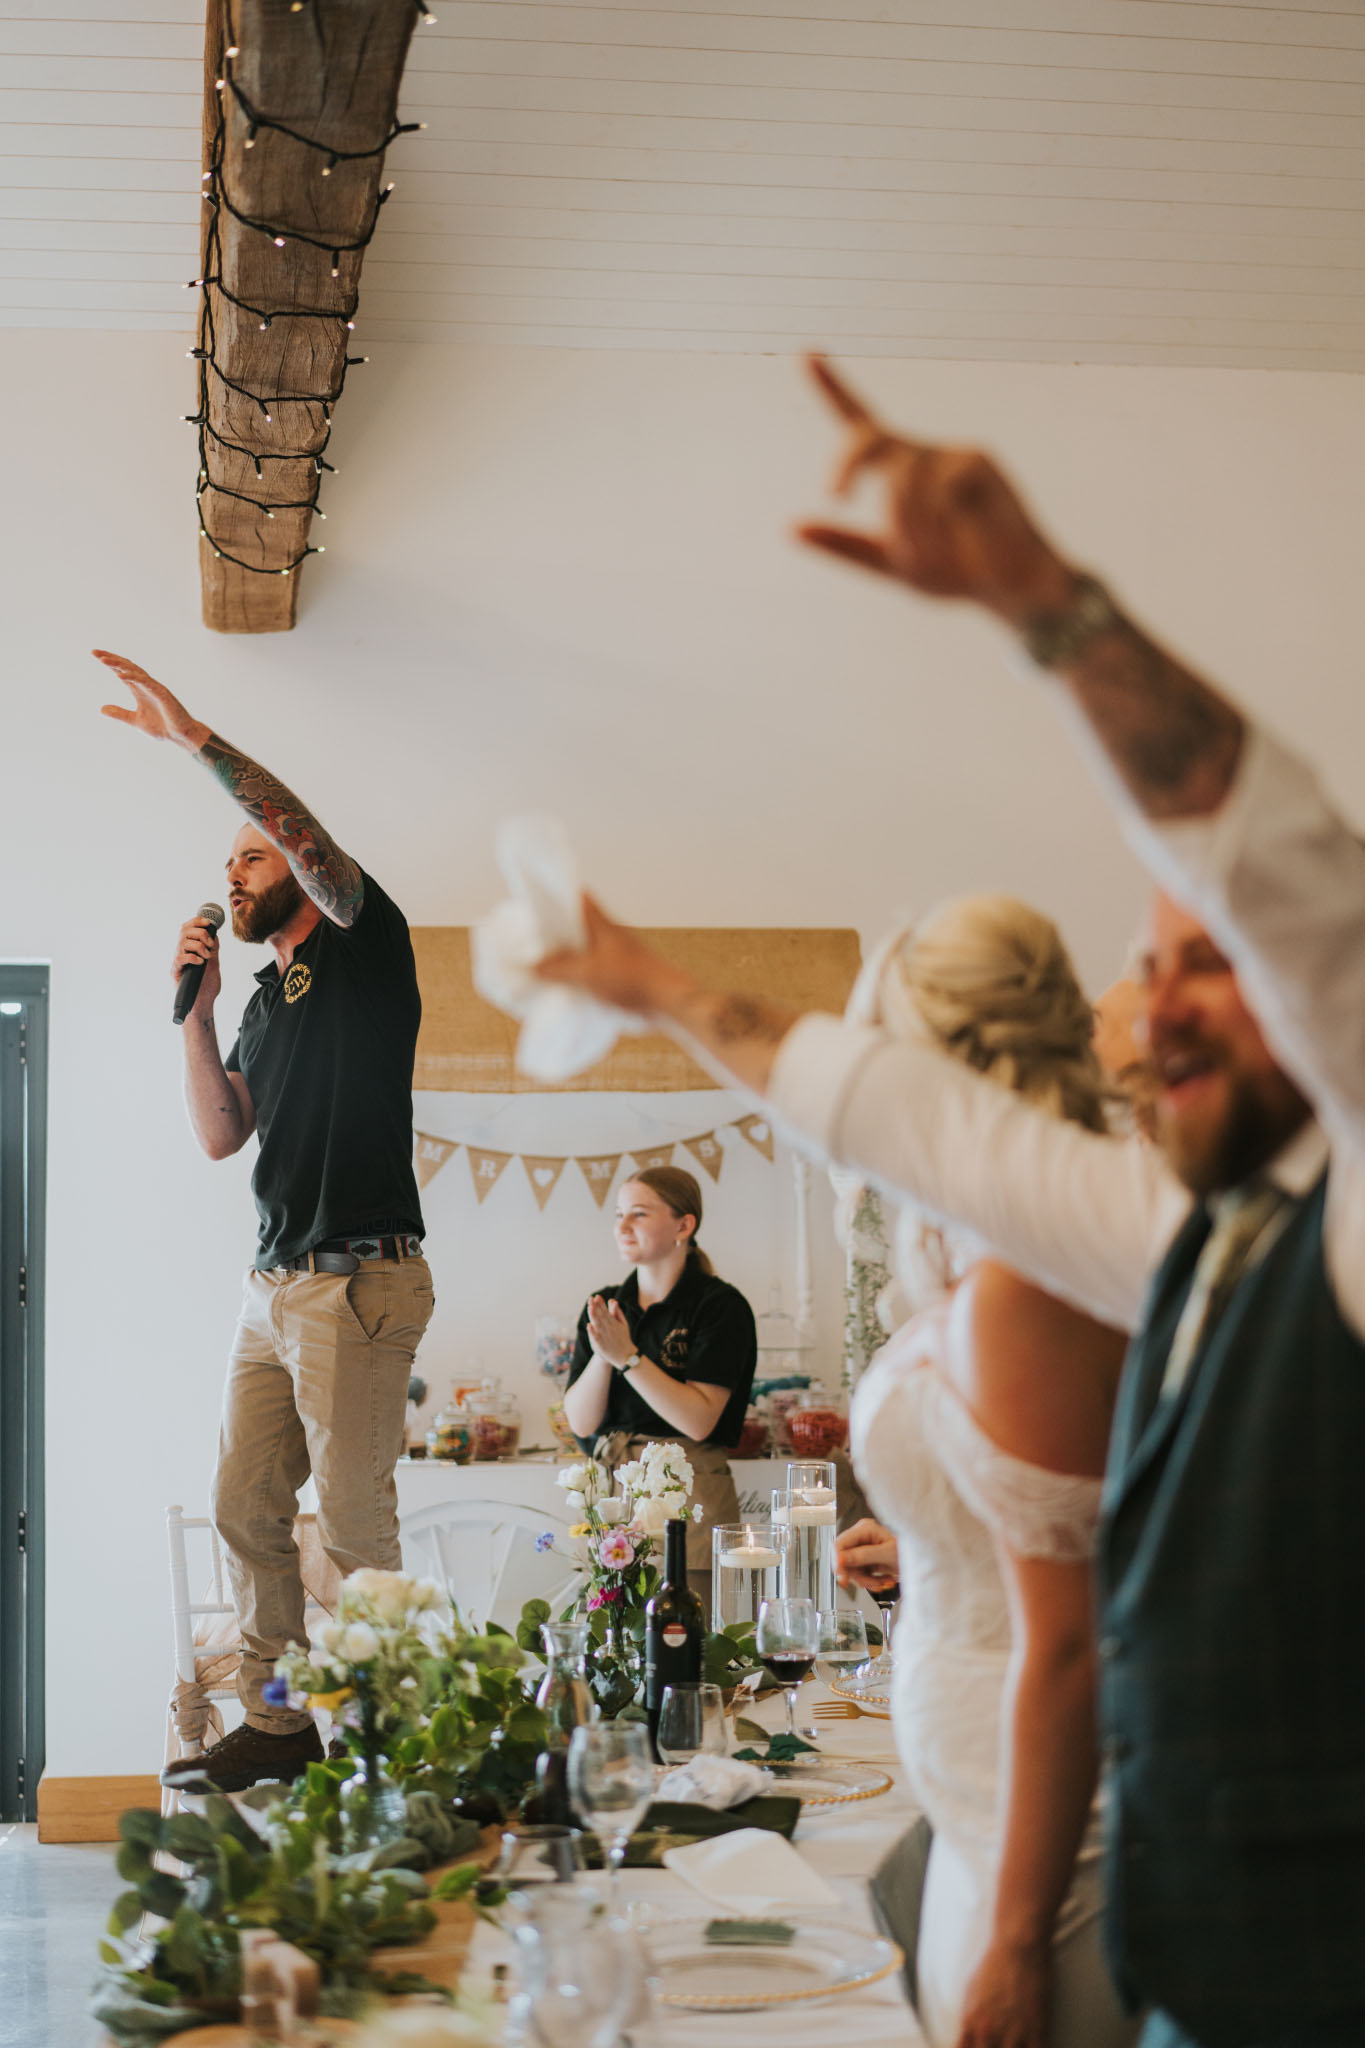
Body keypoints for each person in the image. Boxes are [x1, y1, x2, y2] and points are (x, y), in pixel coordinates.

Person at [526, 358, 1365, 2048]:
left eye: (1219, 963)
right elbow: (923, 1126)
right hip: (1197, 1962)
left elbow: (1288, 875)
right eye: (1151, 969)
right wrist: (657, 986)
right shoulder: (1176, 1230)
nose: (1161, 1003)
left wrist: (1045, 606)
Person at [96, 650, 434, 1794]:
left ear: (296, 858)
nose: (231, 877)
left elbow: (298, 831)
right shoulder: (263, 1000)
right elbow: (219, 1134)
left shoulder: (362, 940)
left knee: (349, 1527)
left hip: (357, 1279)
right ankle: (283, 1725)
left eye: (247, 855)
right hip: (273, 1284)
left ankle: (390, 1743)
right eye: (227, 863)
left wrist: (198, 740)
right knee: (247, 1503)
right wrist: (190, 1014)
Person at [834, 900, 1139, 2048]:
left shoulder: (1028, 1275)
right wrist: (928, 1548)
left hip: (1043, 1842)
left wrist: (1018, 1936)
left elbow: (1068, 1634)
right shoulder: (981, 1242)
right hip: (975, 1811)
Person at [561, 1165, 757, 1602]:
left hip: (690, 1495)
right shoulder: (606, 1305)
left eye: (639, 1214)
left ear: (683, 1225)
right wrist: (605, 1352)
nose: (622, 1226)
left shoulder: (719, 1306)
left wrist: (628, 1357)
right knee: (617, 1642)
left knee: (692, 1641)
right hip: (615, 1496)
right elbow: (580, 1419)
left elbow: (699, 1419)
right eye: (618, 1215)